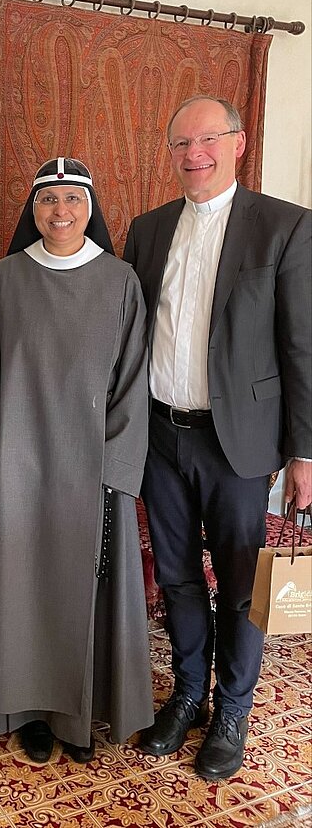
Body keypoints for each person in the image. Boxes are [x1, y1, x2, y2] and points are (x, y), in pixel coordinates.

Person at [124, 95, 312, 780]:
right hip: (159, 437)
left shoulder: (285, 228)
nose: (193, 153)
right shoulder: (146, 230)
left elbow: (303, 348)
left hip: (240, 443)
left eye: (207, 139)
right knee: (175, 578)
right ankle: (189, 697)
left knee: (239, 585)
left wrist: (305, 452)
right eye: (180, 142)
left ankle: (233, 708)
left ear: (238, 142)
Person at [0, 158, 153, 765]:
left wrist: (112, 472)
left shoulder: (121, 281)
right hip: (19, 469)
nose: (60, 212)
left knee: (84, 594)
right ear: (33, 210)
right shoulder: (7, 278)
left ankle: (77, 714)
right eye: (48, 201)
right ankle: (25, 711)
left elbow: (132, 383)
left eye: (72, 200)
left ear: (89, 209)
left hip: (91, 475)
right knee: (18, 591)